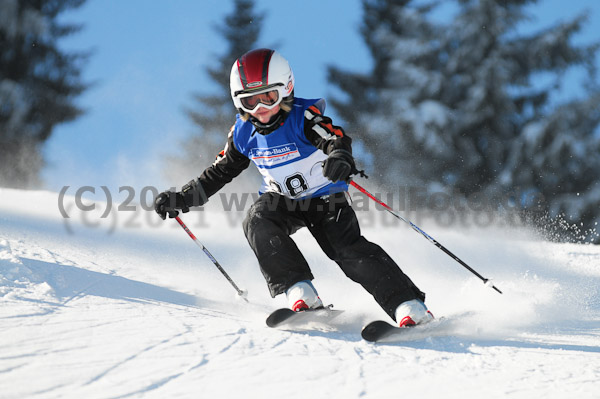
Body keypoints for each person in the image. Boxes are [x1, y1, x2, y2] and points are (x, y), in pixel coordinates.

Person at [154, 48, 433, 327]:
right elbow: (219, 172)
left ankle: (408, 305)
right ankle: (301, 291)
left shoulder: (302, 117)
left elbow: (335, 138)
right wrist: (183, 198)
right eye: (250, 101)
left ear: (286, 90)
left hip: (326, 198)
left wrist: (339, 156)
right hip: (281, 200)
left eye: (268, 97)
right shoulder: (242, 133)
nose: (260, 109)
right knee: (257, 220)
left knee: (346, 250)